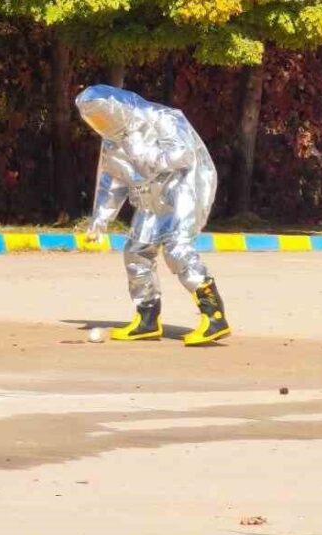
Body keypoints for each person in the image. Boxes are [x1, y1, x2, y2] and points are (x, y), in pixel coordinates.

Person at [76, 84, 230, 346]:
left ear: (116, 108)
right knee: (136, 251)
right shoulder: (113, 141)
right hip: (149, 199)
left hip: (182, 190)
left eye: (103, 115)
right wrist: (100, 221)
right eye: (94, 119)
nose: (100, 123)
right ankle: (147, 318)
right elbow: (112, 181)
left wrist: (142, 151)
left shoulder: (163, 118)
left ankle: (214, 316)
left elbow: (182, 155)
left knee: (177, 250)